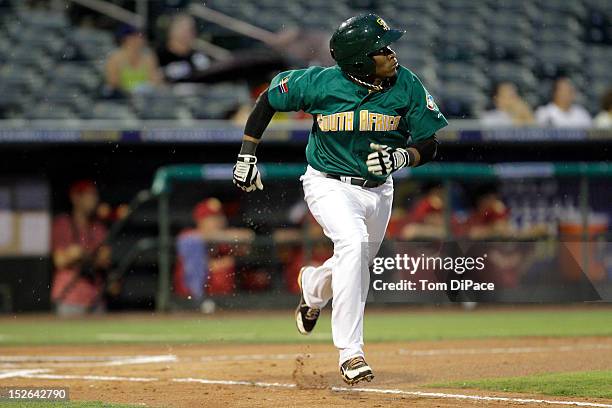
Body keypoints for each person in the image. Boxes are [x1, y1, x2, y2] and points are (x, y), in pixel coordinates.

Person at [232, 14, 447, 385]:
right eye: (382, 48)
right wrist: (247, 154)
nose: (392, 53)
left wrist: (402, 157)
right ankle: (351, 353)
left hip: (380, 189)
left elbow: (430, 142)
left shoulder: (406, 84)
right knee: (352, 244)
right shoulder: (320, 83)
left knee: (356, 259)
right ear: (360, 59)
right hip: (328, 183)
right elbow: (268, 98)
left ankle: (313, 287)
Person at [173, 198, 254, 312]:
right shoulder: (188, 236)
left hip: (224, 302)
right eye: (211, 218)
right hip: (189, 301)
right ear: (199, 220)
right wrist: (217, 264)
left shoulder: (224, 242)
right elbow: (202, 238)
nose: (217, 221)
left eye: (219, 217)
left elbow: (248, 236)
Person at [51, 180, 111, 317]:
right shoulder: (63, 223)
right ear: (76, 197)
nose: (94, 200)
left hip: (95, 297)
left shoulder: (98, 227)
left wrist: (80, 254)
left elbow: (105, 260)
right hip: (69, 297)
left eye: (94, 195)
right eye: (89, 195)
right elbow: (60, 260)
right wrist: (88, 256)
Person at [105, 25, 163, 95]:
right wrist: (131, 92)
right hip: (123, 98)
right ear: (125, 39)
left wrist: (144, 89)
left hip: (145, 97)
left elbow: (155, 80)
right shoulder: (114, 59)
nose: (139, 39)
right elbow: (113, 83)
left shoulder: (148, 57)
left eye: (140, 36)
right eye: (135, 36)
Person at [156, 14, 211, 83]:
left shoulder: (197, 56)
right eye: (183, 29)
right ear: (172, 31)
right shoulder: (158, 54)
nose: (188, 34)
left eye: (190, 30)